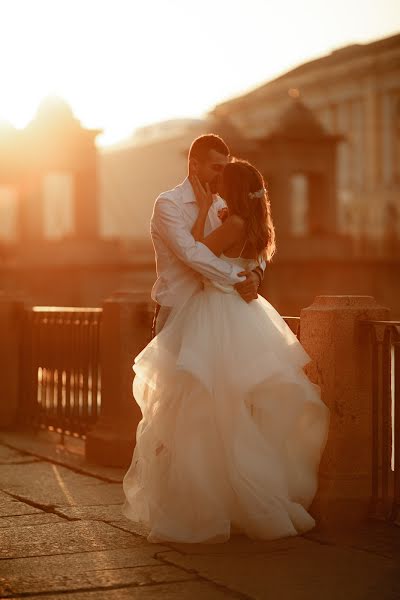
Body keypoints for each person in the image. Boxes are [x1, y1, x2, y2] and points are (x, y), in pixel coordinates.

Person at [121, 157, 330, 544]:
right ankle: (243, 501)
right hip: (245, 315)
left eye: (223, 177)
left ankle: (213, 503)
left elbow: (199, 256)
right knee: (237, 411)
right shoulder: (255, 225)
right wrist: (246, 274)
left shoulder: (229, 221)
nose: (216, 181)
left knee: (207, 411)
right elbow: (249, 264)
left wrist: (204, 216)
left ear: (231, 188)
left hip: (215, 313)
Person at [149, 134, 265, 337]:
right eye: (216, 168)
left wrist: (256, 274)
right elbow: (191, 254)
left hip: (221, 313)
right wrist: (237, 278)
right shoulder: (168, 204)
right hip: (178, 311)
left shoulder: (224, 203)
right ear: (194, 165)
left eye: (225, 169)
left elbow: (253, 238)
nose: (222, 176)